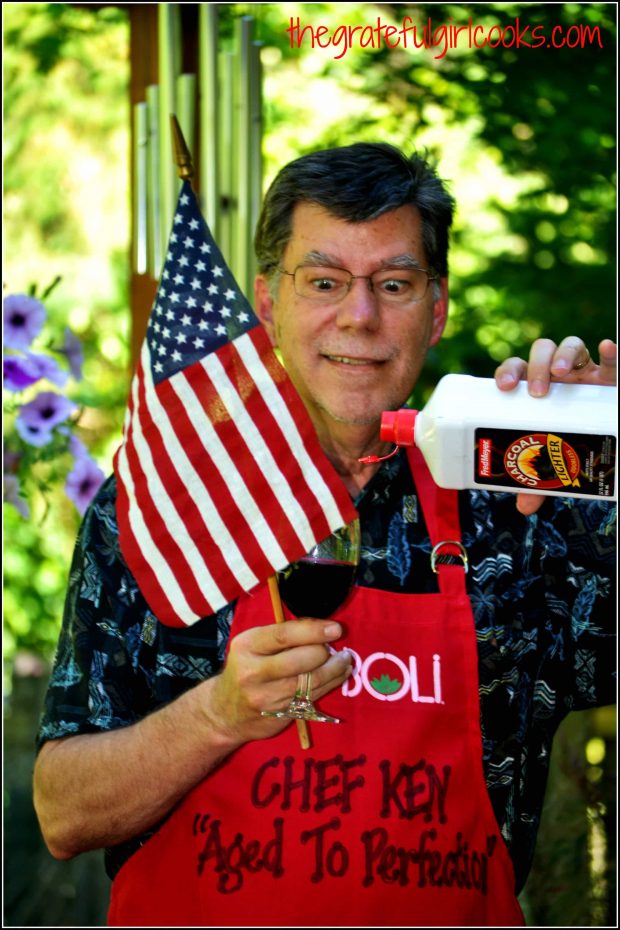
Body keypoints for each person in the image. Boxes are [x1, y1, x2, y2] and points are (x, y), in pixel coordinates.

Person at [33, 142, 616, 926]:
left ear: (436, 309)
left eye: (395, 285)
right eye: (325, 281)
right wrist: (216, 717)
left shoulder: (519, 504)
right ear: (270, 300)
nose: (360, 315)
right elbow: (63, 814)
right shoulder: (168, 501)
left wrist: (606, 446)